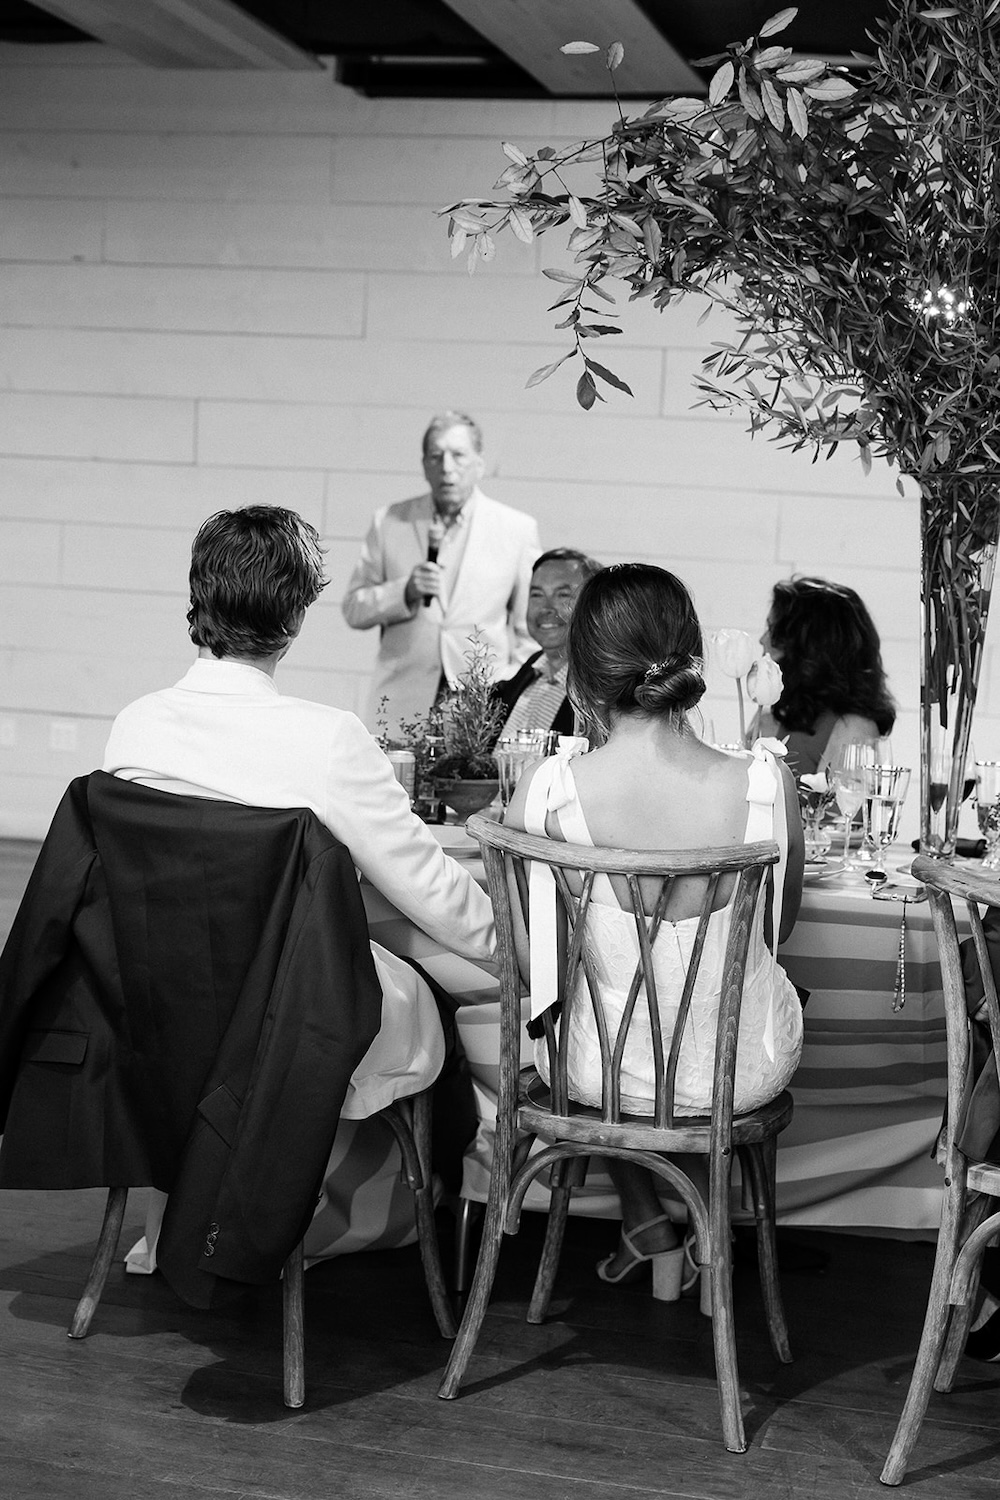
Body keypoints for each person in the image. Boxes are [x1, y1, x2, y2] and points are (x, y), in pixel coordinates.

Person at [102, 506, 495, 1269]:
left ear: (199, 600)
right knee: (440, 977)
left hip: (152, 1005)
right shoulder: (326, 739)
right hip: (289, 1025)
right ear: (296, 614)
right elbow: (430, 887)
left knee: (368, 921)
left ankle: (198, 1212)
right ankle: (416, 1205)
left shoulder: (135, 726)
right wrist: (512, 944)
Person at [505, 563, 804, 1298]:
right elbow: (778, 928)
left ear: (584, 668)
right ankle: (714, 1245)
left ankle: (658, 1230)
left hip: (597, 1074)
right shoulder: (766, 784)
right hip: (741, 1074)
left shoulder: (548, 790)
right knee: (756, 994)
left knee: (579, 1011)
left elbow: (528, 958)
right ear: (690, 659)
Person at [342, 411, 541, 731]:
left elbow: (529, 629)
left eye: (458, 456)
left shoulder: (517, 529)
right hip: (403, 695)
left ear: (480, 463)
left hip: (480, 699)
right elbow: (354, 608)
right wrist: (403, 591)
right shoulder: (391, 521)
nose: (447, 467)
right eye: (436, 456)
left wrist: (509, 685)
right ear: (424, 465)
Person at [755, 574, 896, 776]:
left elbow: (842, 806)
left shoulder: (856, 729)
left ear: (808, 647)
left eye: (773, 629)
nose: (762, 640)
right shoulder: (769, 719)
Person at [494, 547, 602, 741]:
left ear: (592, 605)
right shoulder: (534, 667)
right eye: (537, 594)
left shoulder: (598, 692)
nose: (546, 608)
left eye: (562, 595)